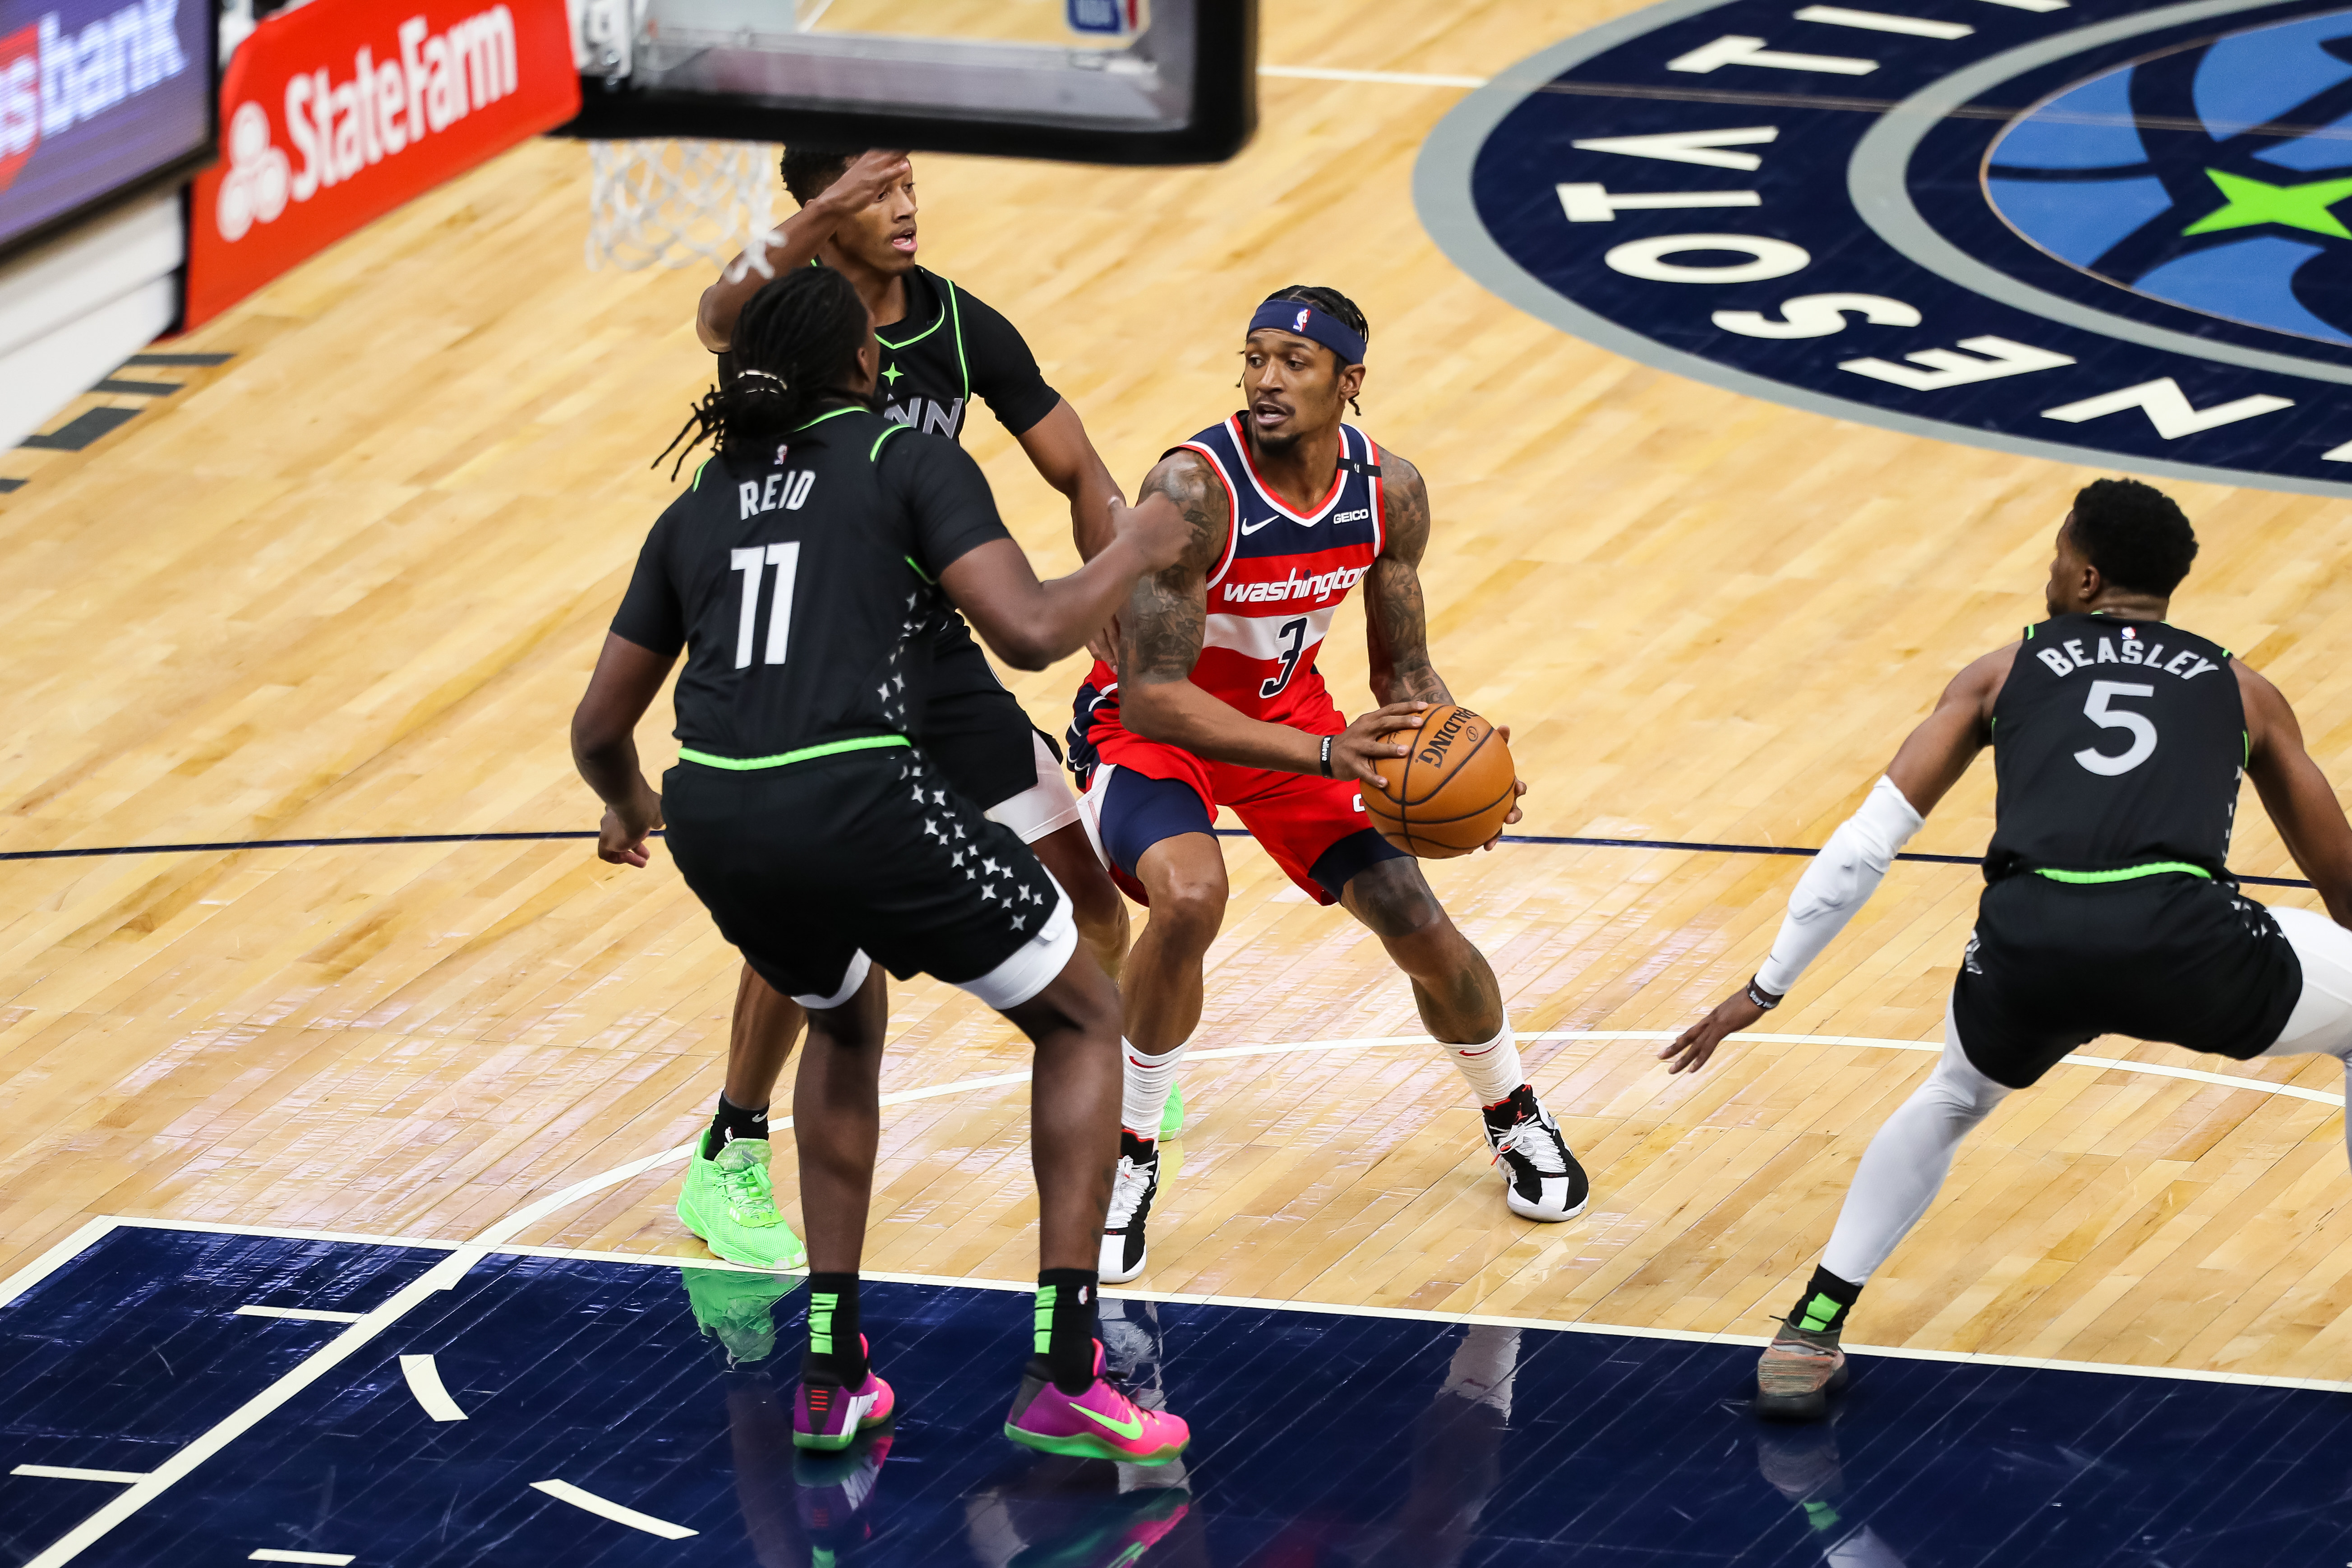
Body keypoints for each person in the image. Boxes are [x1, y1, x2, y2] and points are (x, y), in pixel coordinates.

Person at [572, 265, 1192, 1461]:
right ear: (859, 365)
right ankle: (1065, 1371)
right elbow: (1025, 629)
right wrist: (1137, 549)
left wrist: (626, 803)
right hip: (854, 791)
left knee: (843, 1020)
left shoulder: (694, 501)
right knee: (1078, 1016)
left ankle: (830, 1374)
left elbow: (599, 727)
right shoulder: (898, 457)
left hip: (715, 816)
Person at [1667, 478, 2352, 1420]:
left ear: (2085, 573)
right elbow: (2341, 875)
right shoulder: (2244, 689)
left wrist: (1765, 987)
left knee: (1952, 1095)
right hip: (2184, 943)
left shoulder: (2000, 673)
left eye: (2054, 552)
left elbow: (1863, 848)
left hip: (2028, 943)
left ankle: (1811, 1327)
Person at [1069, 285, 1591, 1284]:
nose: (1266, 379)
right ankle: (1128, 1153)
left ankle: (1512, 1107)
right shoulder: (1194, 489)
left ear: (1349, 384)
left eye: (1293, 363)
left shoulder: (1387, 491)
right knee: (1189, 896)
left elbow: (1402, 673)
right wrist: (1322, 756)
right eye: (1254, 357)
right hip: (1157, 732)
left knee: (1417, 917)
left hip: (1290, 720)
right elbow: (1154, 698)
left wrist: (1464, 748)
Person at [675, 146, 1138, 1271]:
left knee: (1094, 901)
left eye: (910, 186)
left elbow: (1078, 468)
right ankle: (730, 1147)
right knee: (818, 926)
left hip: (935, 656)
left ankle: (1102, 1096)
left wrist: (1124, 578)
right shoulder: (785, 320)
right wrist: (827, 211)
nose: (907, 210)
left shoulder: (959, 324)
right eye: (880, 193)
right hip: (825, 660)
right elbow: (712, 314)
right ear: (826, 207)